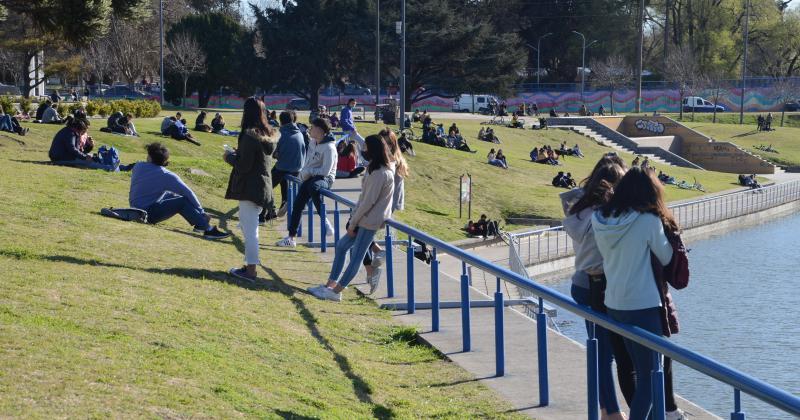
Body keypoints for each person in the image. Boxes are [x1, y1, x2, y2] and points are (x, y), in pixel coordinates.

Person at [592, 167, 675, 420]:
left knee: (633, 369)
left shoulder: (601, 219)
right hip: (643, 305)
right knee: (651, 376)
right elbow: (667, 256)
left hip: (614, 304)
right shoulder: (648, 221)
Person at [562, 158, 631, 420]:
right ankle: (611, 412)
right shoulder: (604, 217)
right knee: (606, 352)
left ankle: (607, 409)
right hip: (598, 286)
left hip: (581, 283)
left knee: (602, 349)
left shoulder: (579, 212)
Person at [308, 134, 395, 302]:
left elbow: (368, 202)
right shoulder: (374, 169)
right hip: (362, 218)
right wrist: (353, 219)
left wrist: (354, 221)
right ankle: (330, 285)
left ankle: (336, 291)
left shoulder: (381, 173)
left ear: (374, 150)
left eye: (366, 147)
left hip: (369, 221)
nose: (363, 150)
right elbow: (363, 199)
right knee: (341, 247)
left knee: (356, 256)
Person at [129, 142, 229, 240]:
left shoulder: (138, 166)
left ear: (150, 157)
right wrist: (202, 212)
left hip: (135, 209)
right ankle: (207, 229)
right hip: (147, 213)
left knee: (172, 195)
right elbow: (188, 193)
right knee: (182, 201)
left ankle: (199, 224)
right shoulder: (167, 175)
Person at [224, 98, 277, 282]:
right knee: (250, 229)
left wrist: (229, 157)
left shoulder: (249, 135)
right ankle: (249, 266)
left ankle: (251, 271)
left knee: (250, 231)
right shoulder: (267, 134)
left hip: (250, 187)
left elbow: (244, 165)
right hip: (263, 187)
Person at [276, 117, 338, 248]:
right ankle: (291, 238)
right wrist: (305, 172)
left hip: (325, 179)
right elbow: (308, 161)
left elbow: (326, 171)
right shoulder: (312, 142)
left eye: (313, 127)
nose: (310, 129)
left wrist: (309, 171)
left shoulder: (329, 148)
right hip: (310, 177)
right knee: (298, 204)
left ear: (320, 130)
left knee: (313, 186)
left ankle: (325, 221)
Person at [260, 110, 307, 223]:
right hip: (297, 167)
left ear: (281, 121)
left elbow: (275, 153)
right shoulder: (299, 133)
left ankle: (265, 213)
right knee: (284, 182)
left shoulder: (281, 133)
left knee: (267, 185)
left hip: (284, 167)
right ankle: (285, 202)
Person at [48, 117, 115, 171]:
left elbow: (79, 151)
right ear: (78, 129)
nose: (82, 133)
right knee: (88, 162)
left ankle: (119, 167)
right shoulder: (70, 133)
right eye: (83, 131)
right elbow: (72, 149)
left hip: (64, 157)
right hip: (60, 159)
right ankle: (108, 168)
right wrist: (85, 157)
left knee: (92, 157)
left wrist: (89, 146)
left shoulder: (69, 131)